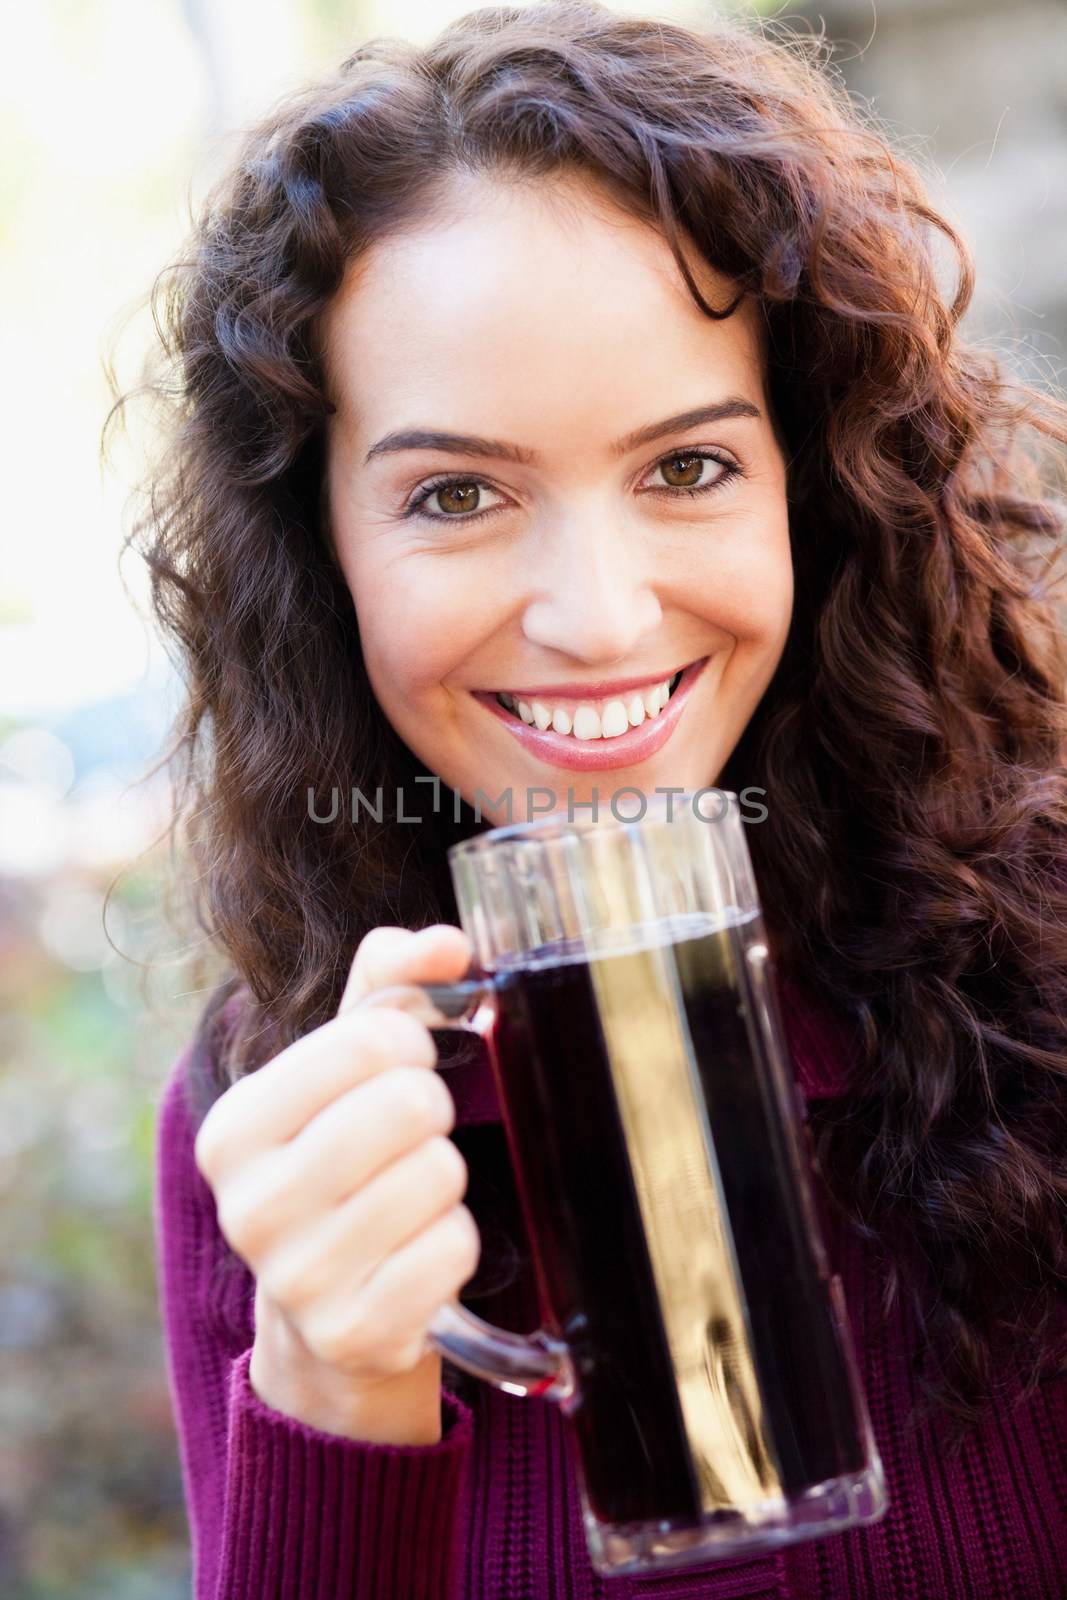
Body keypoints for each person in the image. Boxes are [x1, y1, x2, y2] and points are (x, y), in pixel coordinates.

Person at [121, 2, 1067, 1594]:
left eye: (687, 466)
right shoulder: (270, 1121)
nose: (603, 618)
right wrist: (333, 1392)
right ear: (322, 556)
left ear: (811, 487)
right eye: (458, 495)